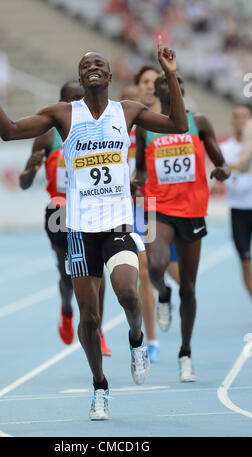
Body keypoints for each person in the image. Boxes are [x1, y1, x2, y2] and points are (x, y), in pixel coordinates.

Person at [0, 36, 188, 420]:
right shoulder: (63, 115)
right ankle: (100, 387)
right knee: (89, 316)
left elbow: (178, 124)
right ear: (80, 75)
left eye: (99, 64)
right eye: (86, 64)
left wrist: (170, 75)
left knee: (127, 293)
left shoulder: (128, 111)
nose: (92, 67)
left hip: (118, 223)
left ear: (108, 74)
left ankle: (136, 339)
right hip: (79, 229)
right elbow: (8, 130)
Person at [132, 72, 230, 382]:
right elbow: (140, 172)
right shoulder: (146, 127)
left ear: (179, 89)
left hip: (192, 210)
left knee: (189, 287)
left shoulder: (198, 122)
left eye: (171, 82)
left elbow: (219, 159)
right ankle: (163, 295)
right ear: (157, 93)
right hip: (157, 209)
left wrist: (223, 171)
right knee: (155, 266)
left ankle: (185, 354)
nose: (165, 87)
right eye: (159, 84)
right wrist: (136, 183)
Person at [19, 80, 112, 356]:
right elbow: (24, 183)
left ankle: (99, 330)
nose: (79, 102)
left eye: (81, 97)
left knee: (98, 272)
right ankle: (67, 308)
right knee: (67, 273)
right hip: (59, 212)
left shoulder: (97, 129)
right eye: (72, 99)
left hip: (91, 208)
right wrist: (32, 170)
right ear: (61, 103)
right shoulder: (47, 137)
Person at [130, 65, 180, 364]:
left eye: (154, 82)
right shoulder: (123, 117)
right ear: (136, 87)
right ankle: (151, 338)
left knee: (176, 273)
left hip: (169, 207)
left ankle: (166, 294)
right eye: (144, 81)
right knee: (144, 268)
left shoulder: (167, 122)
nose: (150, 86)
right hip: (139, 205)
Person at [214, 105, 252, 301]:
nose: (241, 120)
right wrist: (217, 184)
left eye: (245, 116)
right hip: (238, 211)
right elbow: (218, 178)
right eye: (237, 117)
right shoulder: (226, 149)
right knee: (245, 261)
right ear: (232, 121)